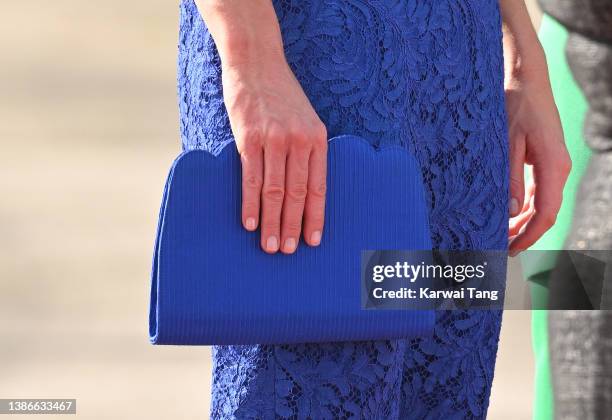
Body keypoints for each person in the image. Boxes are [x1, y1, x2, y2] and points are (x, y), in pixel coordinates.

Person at [179, 0, 570, 417]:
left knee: (445, 382)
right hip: (309, 54)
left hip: (462, 70)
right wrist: (250, 55)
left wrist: (524, 51)